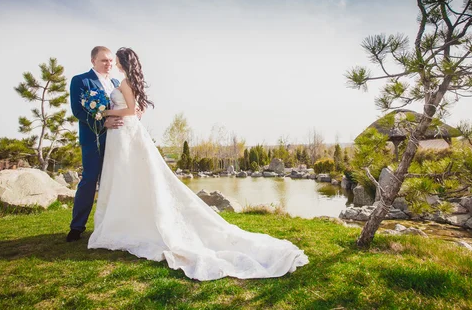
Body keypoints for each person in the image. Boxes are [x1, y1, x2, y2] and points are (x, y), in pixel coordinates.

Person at [87, 47, 309, 281]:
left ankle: (129, 223)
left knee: (131, 178)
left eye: (114, 60)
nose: (112, 63)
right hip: (122, 134)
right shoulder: (125, 82)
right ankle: (124, 220)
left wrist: (106, 112)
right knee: (126, 179)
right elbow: (136, 110)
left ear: (121, 62)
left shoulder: (123, 83)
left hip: (125, 134)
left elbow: (131, 110)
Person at [66, 46, 124, 242]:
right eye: (103, 61)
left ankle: (113, 224)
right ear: (93, 61)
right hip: (93, 139)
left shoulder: (116, 82)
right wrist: (103, 122)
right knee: (89, 180)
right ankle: (77, 227)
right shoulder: (81, 81)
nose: (108, 64)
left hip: (116, 139)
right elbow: (78, 111)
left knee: (115, 181)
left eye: (110, 61)